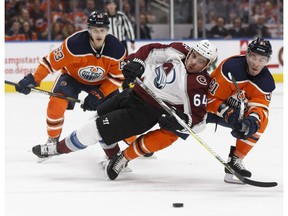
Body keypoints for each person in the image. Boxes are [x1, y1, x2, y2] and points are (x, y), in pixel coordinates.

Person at [31, 40, 218, 181]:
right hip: (133, 92)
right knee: (97, 117)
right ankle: (115, 158)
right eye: (194, 56)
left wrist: (181, 121)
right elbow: (151, 51)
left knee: (92, 130)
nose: (194, 62)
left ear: (207, 65)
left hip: (145, 111)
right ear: (191, 51)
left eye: (201, 61)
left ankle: (56, 149)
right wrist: (137, 62)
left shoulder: (199, 85)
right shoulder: (179, 50)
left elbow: (199, 121)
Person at [15, 11, 127, 159]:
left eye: (102, 30)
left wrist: (100, 93)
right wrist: (35, 79)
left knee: (117, 114)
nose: (98, 34)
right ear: (88, 30)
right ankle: (52, 141)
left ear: (107, 30)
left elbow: (118, 78)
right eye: (94, 30)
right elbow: (49, 63)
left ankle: (134, 141)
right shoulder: (73, 44)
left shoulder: (116, 50)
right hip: (72, 78)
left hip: (102, 82)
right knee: (56, 103)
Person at [206, 37, 275, 184]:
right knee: (179, 125)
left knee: (260, 123)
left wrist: (252, 121)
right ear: (247, 54)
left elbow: (260, 108)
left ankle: (235, 160)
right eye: (254, 57)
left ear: (267, 61)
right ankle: (145, 147)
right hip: (208, 110)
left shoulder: (266, 82)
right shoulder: (231, 68)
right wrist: (226, 111)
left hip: (234, 115)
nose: (256, 63)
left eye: (262, 60)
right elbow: (208, 99)